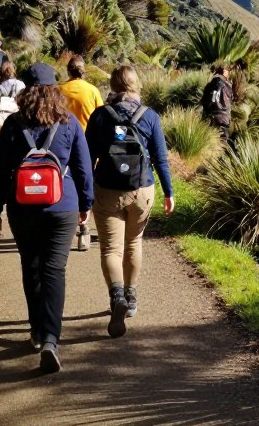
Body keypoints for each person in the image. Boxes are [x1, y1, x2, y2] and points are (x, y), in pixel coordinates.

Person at [0, 63, 93, 374]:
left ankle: (36, 329)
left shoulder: (12, 125)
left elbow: (0, 170)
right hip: (62, 206)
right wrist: (85, 204)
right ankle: (50, 339)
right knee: (54, 270)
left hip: (22, 207)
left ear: (25, 91)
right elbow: (84, 168)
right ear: (54, 90)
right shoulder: (69, 123)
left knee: (31, 266)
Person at [85, 65, 174, 339]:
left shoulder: (100, 116)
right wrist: (169, 192)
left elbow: (86, 158)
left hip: (107, 189)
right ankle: (131, 296)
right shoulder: (150, 116)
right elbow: (160, 159)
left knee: (111, 249)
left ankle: (117, 296)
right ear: (136, 85)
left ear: (113, 85)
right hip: (141, 189)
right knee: (133, 243)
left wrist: (84, 195)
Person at [59, 55, 103, 129]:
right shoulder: (93, 90)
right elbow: (101, 116)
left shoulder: (58, 89)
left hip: (63, 133)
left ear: (68, 72)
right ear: (83, 71)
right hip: (86, 134)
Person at [201, 63, 234, 139]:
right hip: (224, 119)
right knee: (223, 140)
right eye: (228, 71)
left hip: (211, 118)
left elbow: (205, 102)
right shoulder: (228, 86)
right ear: (224, 72)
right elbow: (231, 101)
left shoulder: (210, 85)